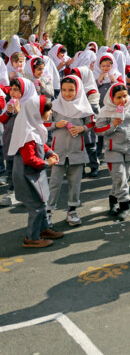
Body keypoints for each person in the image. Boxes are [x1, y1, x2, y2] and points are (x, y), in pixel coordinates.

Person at [9, 79, 62, 247]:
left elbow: (41, 143)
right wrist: (47, 162)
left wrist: (50, 151)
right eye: (47, 111)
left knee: (42, 201)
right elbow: (29, 158)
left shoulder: (31, 126)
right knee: (36, 207)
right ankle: (31, 238)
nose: (50, 114)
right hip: (28, 176)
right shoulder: (28, 134)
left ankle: (43, 229)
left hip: (33, 174)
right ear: (38, 111)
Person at [95, 83, 130, 220]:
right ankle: (125, 204)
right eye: (118, 97)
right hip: (113, 149)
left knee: (124, 177)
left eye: (125, 96)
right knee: (120, 177)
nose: (122, 100)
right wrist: (112, 125)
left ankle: (113, 199)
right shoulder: (106, 111)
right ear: (111, 98)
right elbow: (98, 130)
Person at [47, 75, 95, 227]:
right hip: (57, 152)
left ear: (78, 90)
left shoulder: (85, 107)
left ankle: (72, 210)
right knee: (54, 182)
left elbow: (92, 123)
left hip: (76, 152)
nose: (67, 93)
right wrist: (56, 124)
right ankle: (47, 212)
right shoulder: (54, 106)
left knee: (75, 183)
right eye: (64, 90)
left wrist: (82, 128)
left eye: (71, 90)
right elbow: (44, 123)